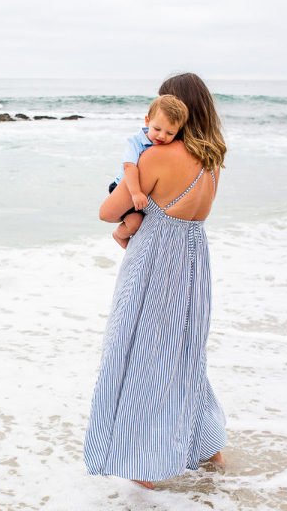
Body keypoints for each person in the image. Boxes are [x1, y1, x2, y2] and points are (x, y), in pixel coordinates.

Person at [83, 72, 228, 490]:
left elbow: (108, 212)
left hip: (155, 263)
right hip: (193, 262)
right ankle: (208, 447)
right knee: (183, 356)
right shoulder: (214, 158)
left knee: (139, 353)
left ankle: (142, 467)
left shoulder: (156, 157)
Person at [109, 95, 189, 249]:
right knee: (135, 222)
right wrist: (135, 193)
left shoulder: (168, 146)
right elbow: (129, 167)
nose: (161, 136)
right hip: (125, 187)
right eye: (157, 129)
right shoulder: (136, 142)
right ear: (147, 121)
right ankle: (119, 235)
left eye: (169, 133)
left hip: (146, 192)